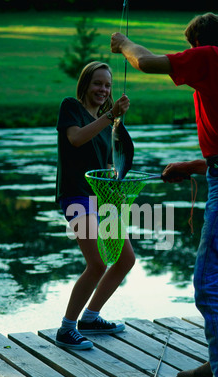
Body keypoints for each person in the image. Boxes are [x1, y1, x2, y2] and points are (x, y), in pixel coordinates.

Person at [111, 13, 218, 377]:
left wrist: (123, 42)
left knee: (208, 282)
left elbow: (145, 62)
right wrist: (193, 166)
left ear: (200, 43)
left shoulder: (212, 57)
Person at [55, 61, 135, 350]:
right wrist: (110, 116)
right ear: (86, 84)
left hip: (103, 200)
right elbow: (75, 139)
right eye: (98, 83)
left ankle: (90, 317)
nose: (104, 89)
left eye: (108, 85)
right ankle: (66, 328)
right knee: (97, 263)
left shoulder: (108, 124)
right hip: (76, 196)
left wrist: (118, 177)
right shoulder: (71, 107)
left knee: (125, 259)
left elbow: (107, 165)